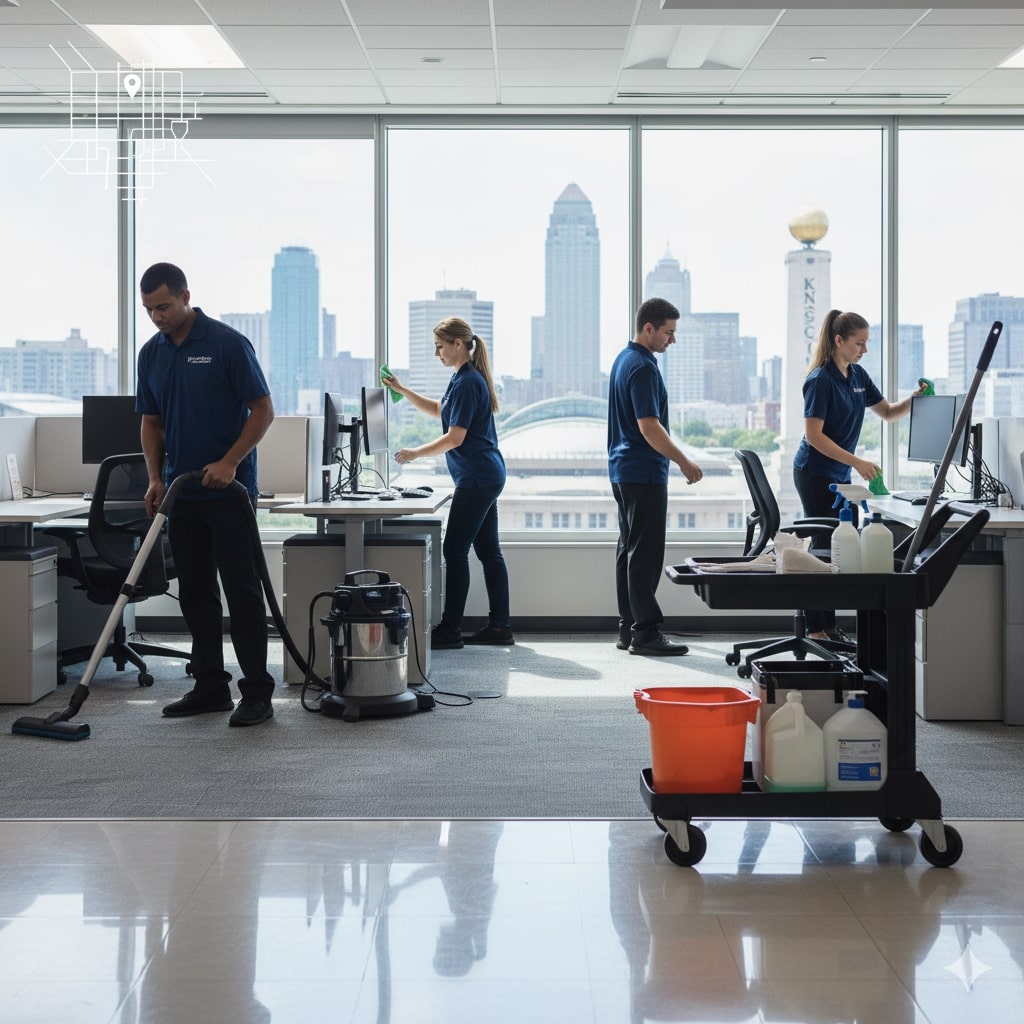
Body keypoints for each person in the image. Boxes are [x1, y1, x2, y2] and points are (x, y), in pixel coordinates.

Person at [136, 262, 277, 726]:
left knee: (242, 591)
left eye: (163, 306)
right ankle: (210, 686)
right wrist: (155, 477)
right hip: (183, 491)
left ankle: (256, 692)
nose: (157, 317)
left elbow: (262, 411)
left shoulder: (227, 344)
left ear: (185, 296)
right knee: (195, 592)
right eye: (149, 310)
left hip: (230, 491)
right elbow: (151, 421)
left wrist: (231, 460)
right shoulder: (151, 354)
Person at [794, 309, 925, 640]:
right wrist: (856, 462)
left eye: (866, 343)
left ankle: (827, 624)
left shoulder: (857, 376)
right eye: (859, 343)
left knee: (838, 547)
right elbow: (814, 436)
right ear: (839, 341)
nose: (864, 350)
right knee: (825, 545)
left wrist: (915, 399)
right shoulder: (820, 381)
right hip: (814, 471)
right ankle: (817, 628)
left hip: (838, 471)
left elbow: (889, 413)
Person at [384, 317, 512, 650]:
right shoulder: (463, 379)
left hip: (478, 478)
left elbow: (455, 438)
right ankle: (500, 626)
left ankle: (451, 629)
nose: (437, 353)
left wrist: (414, 453)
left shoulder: (469, 382)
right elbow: (441, 410)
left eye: (440, 346)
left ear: (458, 344)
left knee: (454, 550)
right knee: (487, 551)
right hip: (485, 475)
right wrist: (402, 390)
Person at [608, 298, 703, 656]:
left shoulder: (623, 359)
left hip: (622, 470)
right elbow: (649, 427)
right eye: (669, 333)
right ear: (649, 328)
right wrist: (684, 462)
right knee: (645, 555)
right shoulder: (644, 367)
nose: (672, 341)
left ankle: (628, 629)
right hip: (643, 471)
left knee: (628, 551)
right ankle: (646, 633)